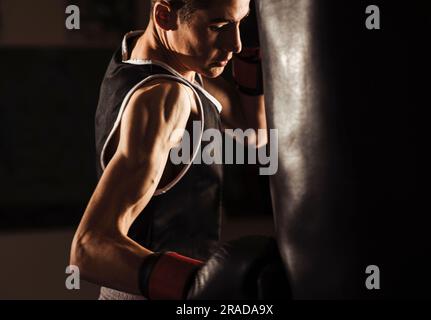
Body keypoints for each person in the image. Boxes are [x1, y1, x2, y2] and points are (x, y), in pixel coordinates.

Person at [70, 0, 280, 300]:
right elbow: (88, 249)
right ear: (164, 16)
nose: (235, 43)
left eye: (241, 24)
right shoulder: (165, 97)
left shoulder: (165, 60)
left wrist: (250, 59)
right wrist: (201, 286)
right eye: (218, 27)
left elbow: (253, 135)